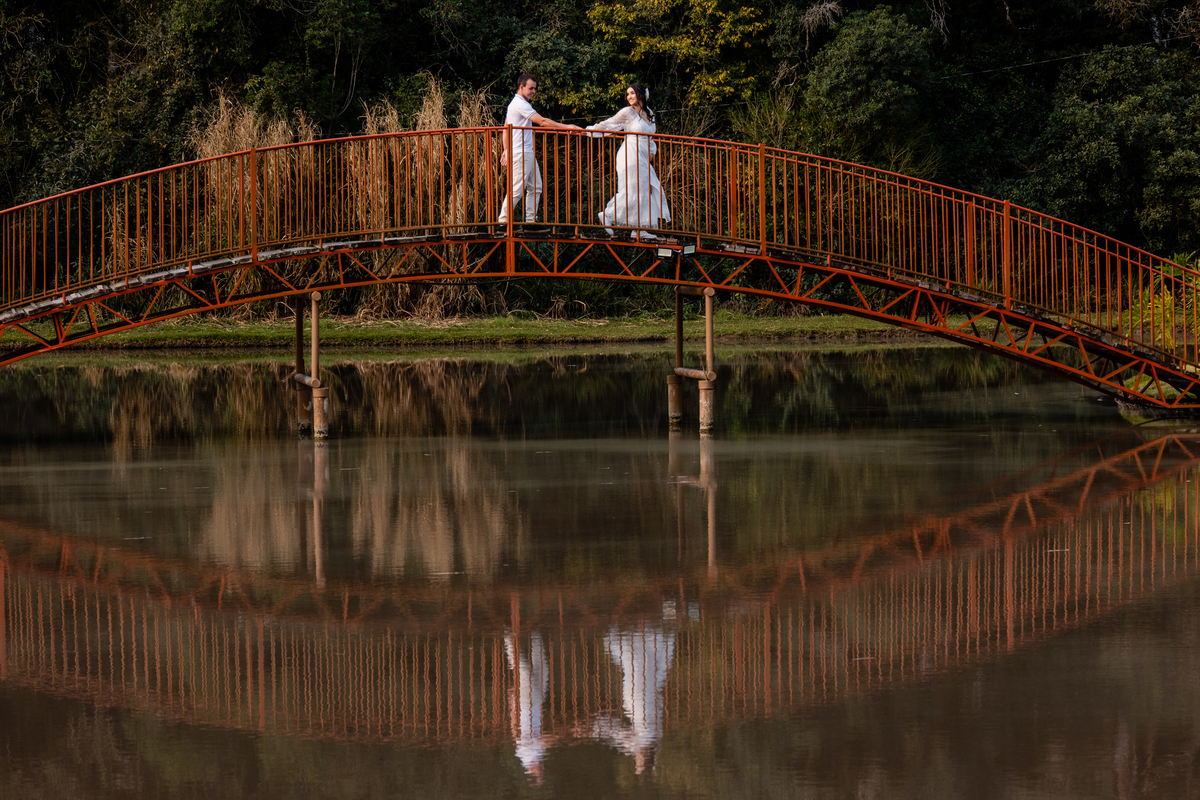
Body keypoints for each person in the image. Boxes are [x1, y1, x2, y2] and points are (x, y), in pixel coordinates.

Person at [586, 83, 672, 240]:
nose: (629, 97)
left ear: (641, 94)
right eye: (628, 94)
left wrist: (652, 151)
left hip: (643, 156)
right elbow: (609, 124)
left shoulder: (649, 113)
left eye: (632, 93)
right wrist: (588, 130)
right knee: (631, 189)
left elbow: (651, 137)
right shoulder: (627, 112)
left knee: (645, 190)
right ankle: (607, 215)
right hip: (630, 153)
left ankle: (639, 229)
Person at [499, 74, 580, 233]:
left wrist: (506, 149)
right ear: (521, 87)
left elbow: (505, 128)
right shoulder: (520, 104)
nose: (533, 91)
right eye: (531, 88)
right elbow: (542, 122)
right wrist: (567, 127)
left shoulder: (515, 103)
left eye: (535, 89)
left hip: (525, 152)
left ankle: (530, 222)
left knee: (536, 187)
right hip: (522, 153)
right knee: (517, 189)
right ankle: (503, 223)